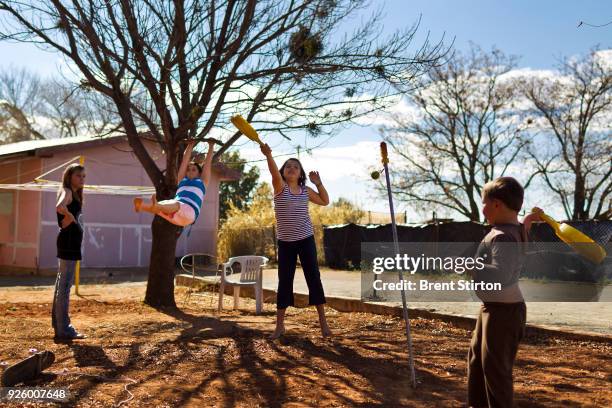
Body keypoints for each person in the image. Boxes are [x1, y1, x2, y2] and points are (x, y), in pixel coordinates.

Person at [467, 177, 540, 407]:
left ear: (497, 204)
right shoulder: (513, 230)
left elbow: (502, 274)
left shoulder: (501, 236)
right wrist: (528, 220)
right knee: (478, 363)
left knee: (495, 372)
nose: (483, 208)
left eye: (484, 202)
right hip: (493, 310)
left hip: (503, 314)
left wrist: (470, 266)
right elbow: (523, 233)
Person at [260, 143, 332, 339]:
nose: (291, 168)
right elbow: (274, 173)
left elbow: (325, 201)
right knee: (285, 281)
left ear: (300, 174)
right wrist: (268, 155)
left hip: (306, 239)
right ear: (283, 172)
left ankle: (323, 324)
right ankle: (279, 326)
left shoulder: (305, 190)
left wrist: (318, 183)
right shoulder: (280, 187)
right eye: (288, 166)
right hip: (286, 243)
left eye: (296, 166)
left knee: (313, 278)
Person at [134, 139, 215, 226]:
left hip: (190, 212)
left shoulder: (202, 182)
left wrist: (211, 146)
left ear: (199, 173)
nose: (190, 171)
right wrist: (190, 145)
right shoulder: (181, 180)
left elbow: (207, 164)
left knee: (173, 204)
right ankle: (141, 206)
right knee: (163, 204)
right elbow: (184, 162)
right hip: (176, 215)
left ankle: (154, 206)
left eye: (193, 169)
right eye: (188, 170)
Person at [53, 163, 86, 340]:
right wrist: (70, 217)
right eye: (78, 176)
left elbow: (62, 218)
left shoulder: (74, 193)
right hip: (68, 243)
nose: (81, 179)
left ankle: (59, 325)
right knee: (65, 287)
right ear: (69, 176)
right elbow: (60, 207)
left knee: (61, 285)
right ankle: (64, 329)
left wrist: (70, 218)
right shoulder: (66, 191)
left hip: (70, 243)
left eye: (83, 177)